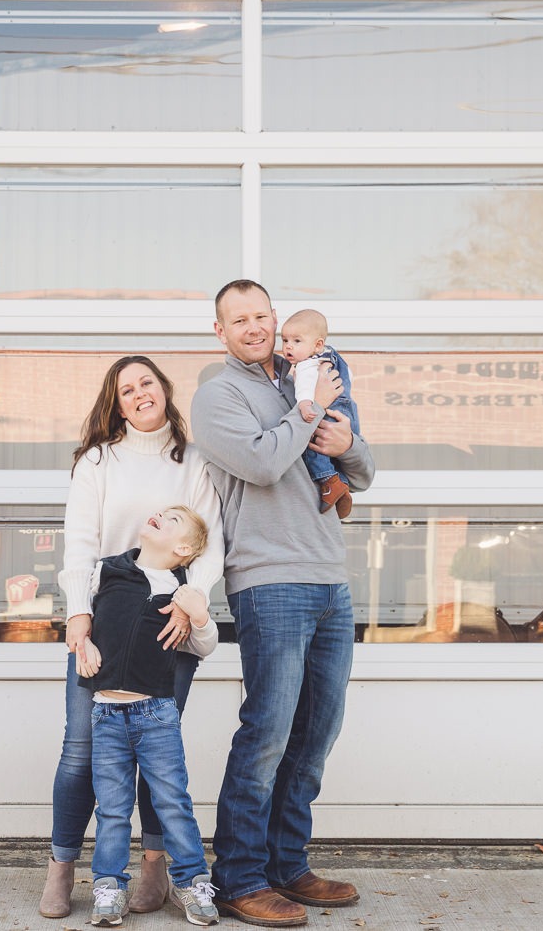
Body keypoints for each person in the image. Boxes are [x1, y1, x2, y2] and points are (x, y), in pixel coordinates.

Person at [191, 280, 376, 927]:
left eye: (261, 314)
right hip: (269, 578)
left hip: (330, 574)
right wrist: (306, 414)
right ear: (220, 330)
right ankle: (239, 877)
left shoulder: (302, 376)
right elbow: (262, 462)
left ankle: (286, 864)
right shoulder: (218, 393)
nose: (253, 326)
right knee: (267, 731)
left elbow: (363, 470)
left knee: (316, 731)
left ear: (275, 317)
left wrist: (343, 439)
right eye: (237, 319)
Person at [40, 356, 225, 920]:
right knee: (81, 753)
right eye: (127, 389)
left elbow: (210, 540)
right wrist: (77, 616)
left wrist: (197, 597)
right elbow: (80, 541)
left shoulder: (193, 461)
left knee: (157, 757)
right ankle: (63, 867)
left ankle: (154, 871)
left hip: (167, 626)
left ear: (163, 389)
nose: (140, 393)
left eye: (147, 381)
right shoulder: (98, 460)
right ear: (115, 403)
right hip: (103, 625)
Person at [77, 506, 221, 927]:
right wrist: (83, 645)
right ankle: (108, 885)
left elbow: (204, 645)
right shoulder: (106, 572)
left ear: (183, 548)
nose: (161, 515)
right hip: (105, 714)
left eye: (174, 518)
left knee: (173, 802)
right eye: (162, 512)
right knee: (113, 808)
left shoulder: (181, 589)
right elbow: (78, 620)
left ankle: (193, 881)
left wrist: (199, 614)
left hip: (156, 714)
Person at [279, 308, 361, 519]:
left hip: (326, 413)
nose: (288, 346)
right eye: (285, 340)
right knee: (335, 450)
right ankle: (341, 482)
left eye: (297, 341)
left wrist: (307, 405)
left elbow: (305, 389)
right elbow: (349, 376)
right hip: (346, 413)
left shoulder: (306, 364)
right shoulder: (333, 358)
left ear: (317, 344)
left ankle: (329, 481)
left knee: (311, 445)